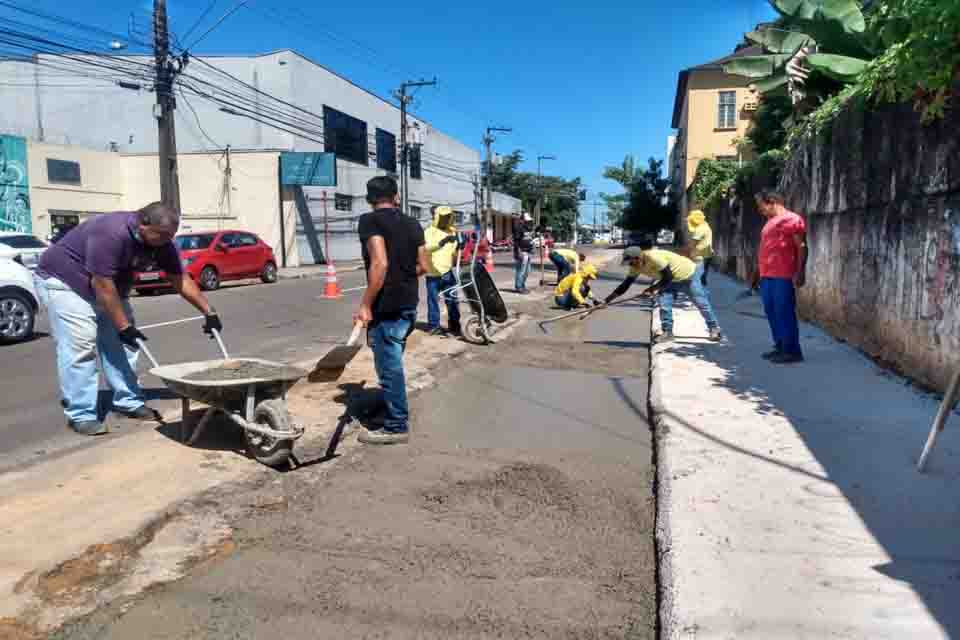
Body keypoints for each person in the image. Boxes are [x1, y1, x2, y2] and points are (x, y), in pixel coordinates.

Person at [34, 203, 222, 436]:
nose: (167, 241)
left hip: (108, 287)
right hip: (65, 282)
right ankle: (81, 414)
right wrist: (123, 326)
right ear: (143, 224)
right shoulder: (111, 232)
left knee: (123, 345)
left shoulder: (163, 242)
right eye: (162, 235)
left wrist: (209, 311)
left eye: (171, 236)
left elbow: (179, 278)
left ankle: (128, 402)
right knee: (81, 345)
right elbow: (101, 284)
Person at [354, 176, 431, 445]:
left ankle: (396, 425)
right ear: (396, 197)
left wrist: (365, 303)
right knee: (392, 361)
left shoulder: (369, 221)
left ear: (369, 199)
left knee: (389, 367)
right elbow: (424, 265)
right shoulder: (413, 223)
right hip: (409, 304)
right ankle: (391, 411)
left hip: (387, 307)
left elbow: (380, 264)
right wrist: (405, 276)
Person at [604, 239, 722, 343]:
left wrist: (652, 289)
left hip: (688, 275)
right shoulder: (635, 267)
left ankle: (714, 329)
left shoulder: (653, 257)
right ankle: (667, 333)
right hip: (670, 281)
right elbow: (625, 285)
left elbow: (668, 276)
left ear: (638, 257)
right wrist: (606, 301)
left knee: (701, 303)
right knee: (664, 304)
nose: (630, 265)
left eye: (631, 262)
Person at [751, 189, 807, 364]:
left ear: (772, 201)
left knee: (784, 312)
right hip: (767, 275)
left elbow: (803, 247)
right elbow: (764, 249)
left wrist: (801, 271)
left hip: (782, 275)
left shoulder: (792, 219)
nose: (760, 210)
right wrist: (757, 273)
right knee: (771, 311)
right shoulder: (769, 222)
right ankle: (781, 346)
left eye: (761, 206)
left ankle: (792, 351)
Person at [423, 205, 461, 337]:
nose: (445, 220)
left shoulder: (452, 231)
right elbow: (426, 248)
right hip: (433, 272)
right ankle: (434, 326)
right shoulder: (429, 232)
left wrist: (460, 245)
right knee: (433, 300)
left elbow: (455, 250)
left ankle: (455, 324)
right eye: (442, 217)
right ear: (435, 217)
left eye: (447, 217)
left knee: (452, 299)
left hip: (448, 271)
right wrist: (441, 242)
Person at [685, 209, 713, 287]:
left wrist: (687, 254)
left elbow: (693, 244)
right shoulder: (706, 226)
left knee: (697, 278)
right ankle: (703, 292)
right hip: (707, 255)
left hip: (701, 256)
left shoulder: (700, 229)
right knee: (702, 277)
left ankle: (700, 294)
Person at [512, 213, 534, 293]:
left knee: (527, 270)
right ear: (522, 220)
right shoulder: (518, 228)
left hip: (528, 252)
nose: (528, 222)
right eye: (526, 220)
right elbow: (516, 241)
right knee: (521, 270)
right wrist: (519, 251)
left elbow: (529, 239)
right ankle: (519, 287)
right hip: (522, 252)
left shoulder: (528, 228)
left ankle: (522, 285)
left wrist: (532, 248)